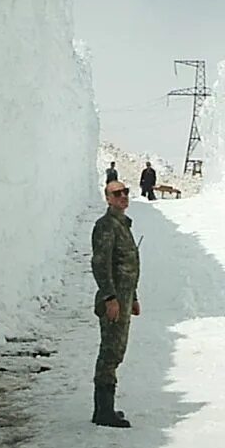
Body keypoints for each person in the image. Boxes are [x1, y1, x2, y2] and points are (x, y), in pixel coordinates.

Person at [90, 179, 141, 428]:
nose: (123, 196)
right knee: (110, 352)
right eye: (116, 193)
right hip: (114, 301)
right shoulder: (106, 226)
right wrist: (110, 297)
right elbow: (100, 264)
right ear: (108, 198)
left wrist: (134, 298)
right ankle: (103, 412)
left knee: (116, 351)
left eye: (125, 192)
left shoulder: (122, 224)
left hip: (123, 298)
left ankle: (106, 409)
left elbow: (126, 265)